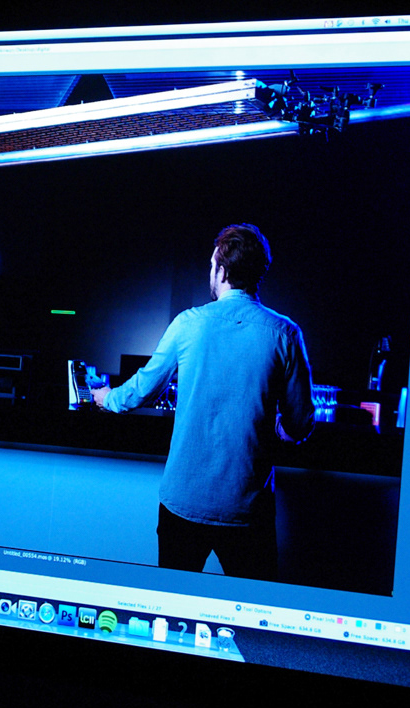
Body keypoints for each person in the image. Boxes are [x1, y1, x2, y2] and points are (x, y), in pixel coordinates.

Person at [92, 224, 314, 580]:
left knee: (172, 603)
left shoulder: (188, 324)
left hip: (184, 502)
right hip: (247, 507)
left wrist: (107, 398)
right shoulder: (284, 333)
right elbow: (299, 424)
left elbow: (143, 390)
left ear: (221, 271)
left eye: (212, 265)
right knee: (252, 607)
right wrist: (273, 427)